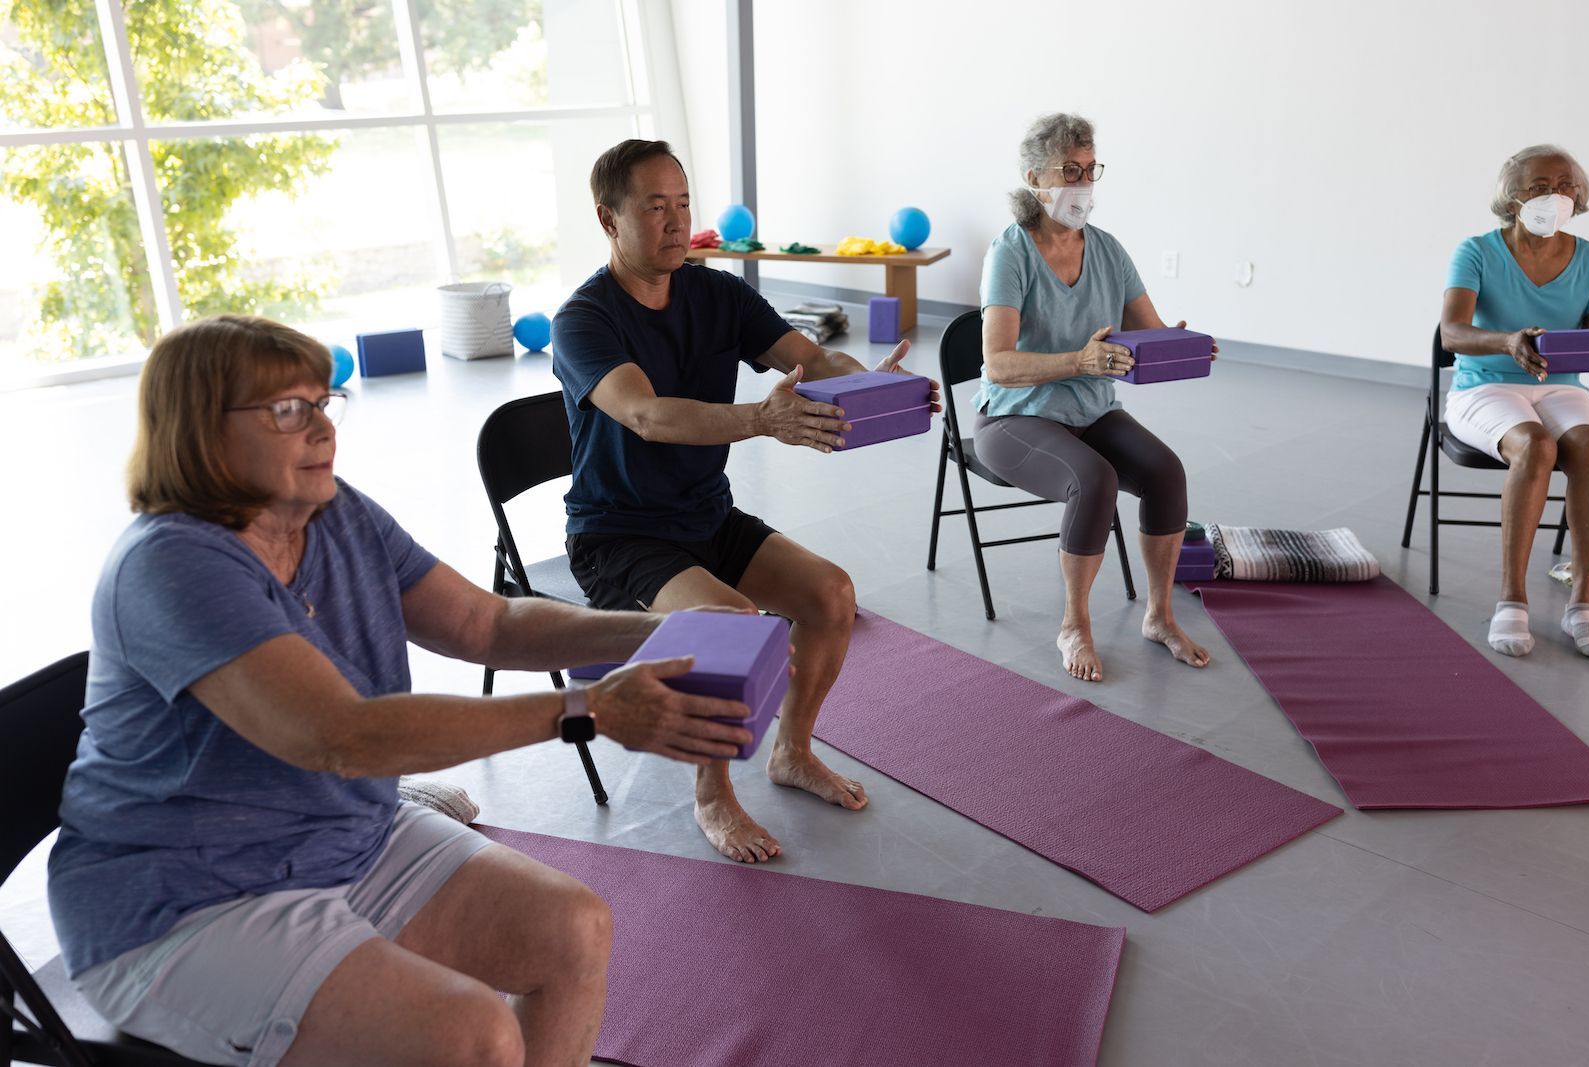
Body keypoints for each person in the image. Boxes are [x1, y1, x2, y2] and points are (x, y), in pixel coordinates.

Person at [48, 315, 756, 1067]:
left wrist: (656, 631)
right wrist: (589, 708)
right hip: (182, 902)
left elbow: (487, 623)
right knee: (469, 1035)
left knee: (574, 926)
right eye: (288, 410)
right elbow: (341, 737)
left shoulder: (334, 510)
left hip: (342, 837)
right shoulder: (172, 564)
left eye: (322, 402)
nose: (321, 427)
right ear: (198, 432)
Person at [552, 138, 939, 864]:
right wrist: (762, 419)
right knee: (734, 624)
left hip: (706, 513)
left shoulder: (715, 291)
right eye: (654, 208)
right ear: (608, 219)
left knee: (831, 594)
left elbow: (810, 357)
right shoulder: (583, 320)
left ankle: (791, 753)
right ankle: (712, 794)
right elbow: (648, 415)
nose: (675, 223)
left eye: (683, 205)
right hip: (620, 535)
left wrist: (873, 386)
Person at [974, 112, 1213, 683]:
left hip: (1092, 409)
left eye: (1089, 170)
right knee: (1095, 478)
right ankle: (1074, 626)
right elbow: (998, 365)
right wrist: (1079, 360)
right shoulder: (1010, 254)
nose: (1082, 185)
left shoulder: (1108, 250)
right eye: (1069, 171)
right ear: (1035, 178)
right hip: (1013, 418)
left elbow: (1149, 331)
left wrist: (1185, 345)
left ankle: (1158, 616)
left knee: (1166, 471)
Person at [1440, 144, 1589, 659]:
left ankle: (1583, 602)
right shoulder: (1477, 251)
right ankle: (1512, 598)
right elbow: (1452, 332)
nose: (1556, 195)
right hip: (1484, 384)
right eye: (1539, 186)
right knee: (1534, 445)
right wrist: (1508, 340)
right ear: (1512, 198)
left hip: (1561, 385)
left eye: (1567, 185)